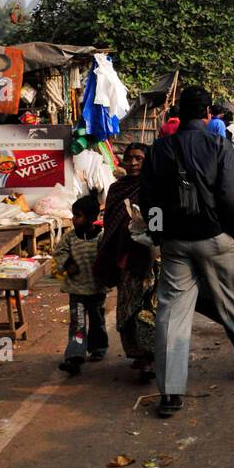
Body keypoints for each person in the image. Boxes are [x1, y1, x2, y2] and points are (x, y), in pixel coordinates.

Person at [139, 84, 234, 418]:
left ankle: (170, 393)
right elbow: (229, 195)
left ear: (178, 113)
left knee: (172, 312)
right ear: (208, 113)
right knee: (229, 298)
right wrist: (231, 230)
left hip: (174, 242)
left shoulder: (158, 149)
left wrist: (157, 235)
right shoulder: (219, 144)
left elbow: (148, 199)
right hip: (215, 237)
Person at [94, 143, 157, 382]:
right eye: (129, 158)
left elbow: (159, 219)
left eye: (139, 159)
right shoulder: (116, 189)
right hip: (125, 258)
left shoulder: (154, 187)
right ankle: (138, 353)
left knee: (148, 309)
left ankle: (150, 357)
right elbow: (110, 224)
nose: (133, 163)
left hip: (149, 257)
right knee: (128, 309)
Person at [53, 193, 108, 375]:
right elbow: (59, 252)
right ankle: (75, 356)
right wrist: (68, 264)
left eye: (78, 215)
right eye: (74, 215)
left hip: (96, 289)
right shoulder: (69, 238)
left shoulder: (101, 237)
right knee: (78, 323)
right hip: (76, 289)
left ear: (92, 218)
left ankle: (98, 348)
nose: (74, 219)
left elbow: (107, 256)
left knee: (97, 320)